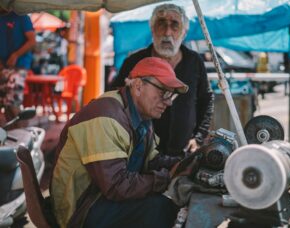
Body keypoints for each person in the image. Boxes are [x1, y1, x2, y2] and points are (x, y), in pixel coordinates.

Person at [50, 57, 199, 227]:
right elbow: (116, 186)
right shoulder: (105, 117)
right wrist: (166, 179)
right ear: (138, 86)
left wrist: (182, 163)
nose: (168, 102)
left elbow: (150, 161)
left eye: (171, 96)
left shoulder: (142, 117)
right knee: (160, 208)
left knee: (166, 203)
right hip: (81, 209)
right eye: (163, 92)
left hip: (100, 195)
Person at [111, 3, 214, 156]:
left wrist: (198, 138)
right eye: (161, 24)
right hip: (141, 153)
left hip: (183, 151)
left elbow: (206, 99)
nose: (167, 32)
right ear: (152, 29)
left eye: (174, 26)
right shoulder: (134, 62)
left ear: (184, 32)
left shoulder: (194, 61)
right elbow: (116, 100)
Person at [0, 7, 36, 121]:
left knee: (12, 103)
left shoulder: (21, 16)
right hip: (3, 66)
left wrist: (16, 55)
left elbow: (32, 40)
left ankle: (20, 134)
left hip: (19, 65)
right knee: (5, 104)